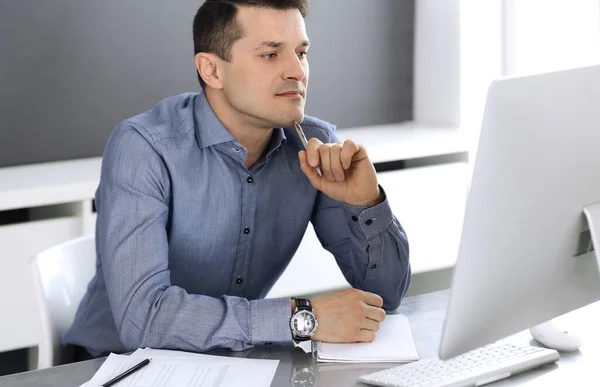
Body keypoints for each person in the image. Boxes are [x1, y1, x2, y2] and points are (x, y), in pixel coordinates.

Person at [63, 0, 411, 359]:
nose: (297, 71)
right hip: (113, 366)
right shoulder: (144, 148)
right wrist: (300, 318)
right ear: (211, 70)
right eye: (270, 55)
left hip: (232, 362)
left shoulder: (313, 146)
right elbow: (143, 317)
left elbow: (387, 295)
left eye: (301, 52)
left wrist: (366, 203)